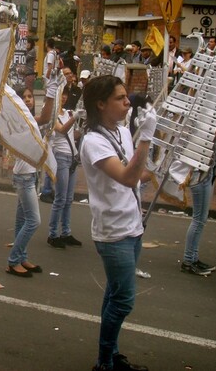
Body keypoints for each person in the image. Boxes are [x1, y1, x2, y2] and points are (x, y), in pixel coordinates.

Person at [80, 75, 155, 371]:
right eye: (120, 99)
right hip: (114, 233)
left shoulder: (123, 131)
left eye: (127, 98)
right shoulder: (93, 141)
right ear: (101, 104)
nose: (127, 104)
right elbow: (126, 178)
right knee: (123, 301)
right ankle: (104, 362)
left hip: (134, 226)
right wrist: (146, 139)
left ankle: (110, 355)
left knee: (113, 294)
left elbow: (134, 169)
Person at [6, 80, 58, 277]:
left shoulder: (28, 120)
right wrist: (51, 96)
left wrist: (52, 96)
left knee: (22, 221)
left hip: (31, 174)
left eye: (30, 97)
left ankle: (21, 257)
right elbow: (45, 117)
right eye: (24, 97)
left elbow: (46, 118)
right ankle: (13, 261)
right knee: (33, 221)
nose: (28, 100)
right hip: (23, 177)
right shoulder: (20, 121)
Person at [47, 86, 83, 249]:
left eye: (65, 95)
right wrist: (75, 117)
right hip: (60, 157)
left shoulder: (68, 113)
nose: (63, 98)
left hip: (72, 157)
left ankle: (66, 232)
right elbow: (61, 131)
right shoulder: (51, 115)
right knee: (60, 198)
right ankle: (53, 234)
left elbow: (72, 135)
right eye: (60, 95)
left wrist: (83, 127)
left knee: (69, 199)